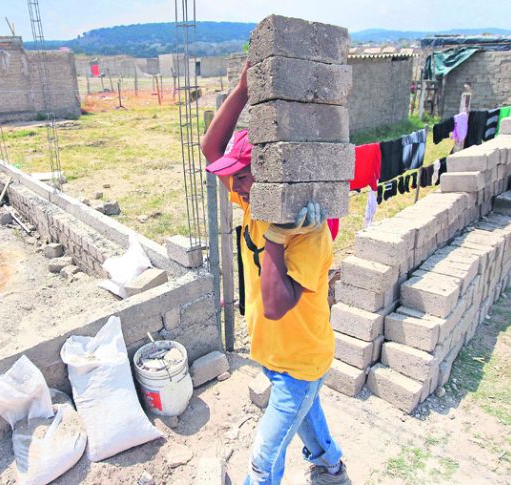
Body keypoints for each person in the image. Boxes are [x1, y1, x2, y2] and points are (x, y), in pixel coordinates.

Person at [201, 60, 350, 485]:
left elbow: (276, 305)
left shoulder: (307, 232)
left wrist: (278, 240)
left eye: (243, 176)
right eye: (237, 179)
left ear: (267, 176)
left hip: (300, 360)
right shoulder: (256, 203)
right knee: (308, 416)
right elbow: (211, 151)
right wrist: (245, 89)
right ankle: (331, 465)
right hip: (275, 356)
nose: (238, 186)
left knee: (264, 458)